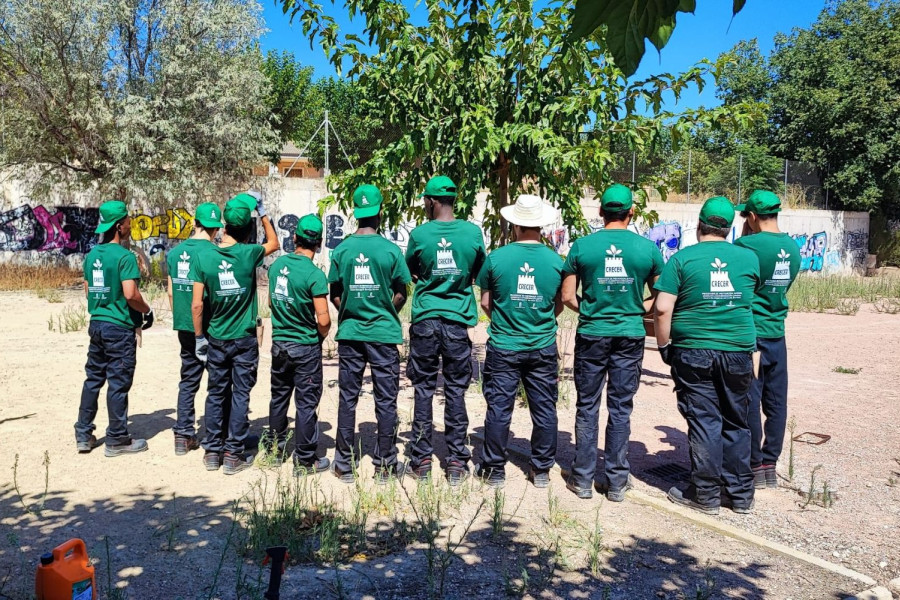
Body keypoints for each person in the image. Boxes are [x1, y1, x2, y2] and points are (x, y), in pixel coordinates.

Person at [654, 196, 761, 515]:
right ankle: (741, 495)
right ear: (729, 228)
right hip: (739, 350)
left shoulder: (682, 259)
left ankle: (705, 495)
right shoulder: (749, 258)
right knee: (736, 420)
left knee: (704, 421)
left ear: (700, 223)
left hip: (693, 350)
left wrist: (663, 346)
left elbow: (661, 308)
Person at [561, 184, 664, 501]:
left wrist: (591, 310)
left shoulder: (582, 247)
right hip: (629, 335)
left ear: (601, 211)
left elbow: (567, 296)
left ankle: (582, 480)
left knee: (587, 406)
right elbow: (661, 297)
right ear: (632, 212)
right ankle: (617, 483)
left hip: (592, 333)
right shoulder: (648, 250)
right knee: (621, 409)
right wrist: (638, 310)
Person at [474, 194, 564, 489]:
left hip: (504, 344)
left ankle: (494, 470)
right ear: (541, 225)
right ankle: (540, 471)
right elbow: (559, 304)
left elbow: (486, 303)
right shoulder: (556, 262)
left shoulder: (496, 259)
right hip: (542, 345)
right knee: (544, 409)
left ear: (514, 224)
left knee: (499, 408)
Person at [405, 176, 487, 486]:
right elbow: (479, 271)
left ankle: (422, 460)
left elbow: (410, 270)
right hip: (457, 321)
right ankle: (455, 462)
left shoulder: (420, 234)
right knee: (456, 390)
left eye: (425, 200)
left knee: (424, 389)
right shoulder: (471, 233)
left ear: (431, 201)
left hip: (426, 319)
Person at [328, 184, 412, 485]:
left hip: (350, 332)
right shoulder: (390, 250)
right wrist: (387, 308)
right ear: (379, 212)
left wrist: (349, 308)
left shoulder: (342, 250)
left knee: (348, 398)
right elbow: (403, 291)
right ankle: (386, 466)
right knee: (386, 400)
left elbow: (334, 292)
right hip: (383, 334)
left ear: (356, 213)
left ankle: (343, 464)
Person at [191, 192, 279, 475]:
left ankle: (212, 452)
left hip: (216, 337)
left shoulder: (204, 258)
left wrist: (199, 337)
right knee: (241, 393)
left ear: (224, 225)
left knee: (216, 393)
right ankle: (233, 453)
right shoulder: (248, 254)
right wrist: (263, 211)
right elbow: (274, 243)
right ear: (246, 230)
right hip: (244, 338)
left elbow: (196, 304)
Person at [76, 200, 154, 457]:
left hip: (96, 324)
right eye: (129, 221)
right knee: (118, 384)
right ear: (119, 226)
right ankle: (117, 439)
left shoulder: (92, 255)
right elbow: (131, 293)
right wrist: (147, 310)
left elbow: (88, 289)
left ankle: (84, 434)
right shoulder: (124, 257)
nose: (131, 224)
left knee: (93, 380)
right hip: (118, 328)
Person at [734, 190, 800, 489]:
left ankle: (753, 461)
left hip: (753, 333)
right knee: (776, 400)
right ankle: (770, 464)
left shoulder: (745, 246)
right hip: (778, 332)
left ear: (752, 216)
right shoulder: (793, 247)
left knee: (750, 397)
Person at [266, 214, 332, 476]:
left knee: (279, 398)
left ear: (294, 238)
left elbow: (272, 304)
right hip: (305, 347)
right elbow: (324, 320)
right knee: (306, 403)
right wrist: (318, 338)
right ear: (320, 243)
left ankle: (274, 449)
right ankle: (305, 461)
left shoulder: (276, 266)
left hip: (279, 344)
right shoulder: (315, 275)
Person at [166, 202, 223, 456]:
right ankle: (215, 436)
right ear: (215, 228)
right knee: (217, 382)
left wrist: (182, 317)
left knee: (188, 380)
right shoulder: (214, 253)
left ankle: (183, 435)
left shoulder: (175, 253)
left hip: (185, 326)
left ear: (195, 223)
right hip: (210, 326)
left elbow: (170, 292)